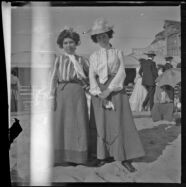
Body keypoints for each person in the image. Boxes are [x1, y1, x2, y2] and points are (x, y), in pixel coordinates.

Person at [87, 18, 145, 172]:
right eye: (98, 37)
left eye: (104, 35)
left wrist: (109, 90)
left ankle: (124, 156)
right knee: (102, 123)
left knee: (120, 122)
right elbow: (92, 75)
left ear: (109, 35)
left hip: (116, 90)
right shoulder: (93, 56)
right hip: (98, 92)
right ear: (95, 39)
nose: (102, 38)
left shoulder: (118, 52)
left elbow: (121, 72)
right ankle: (102, 155)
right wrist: (98, 92)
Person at [49, 27, 90, 166]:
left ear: (76, 43)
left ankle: (77, 157)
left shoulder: (83, 60)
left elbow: (90, 78)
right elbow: (52, 78)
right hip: (62, 93)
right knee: (61, 124)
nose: (68, 45)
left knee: (78, 124)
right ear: (62, 45)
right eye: (65, 43)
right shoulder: (58, 59)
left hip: (78, 94)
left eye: (71, 42)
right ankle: (60, 156)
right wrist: (51, 97)